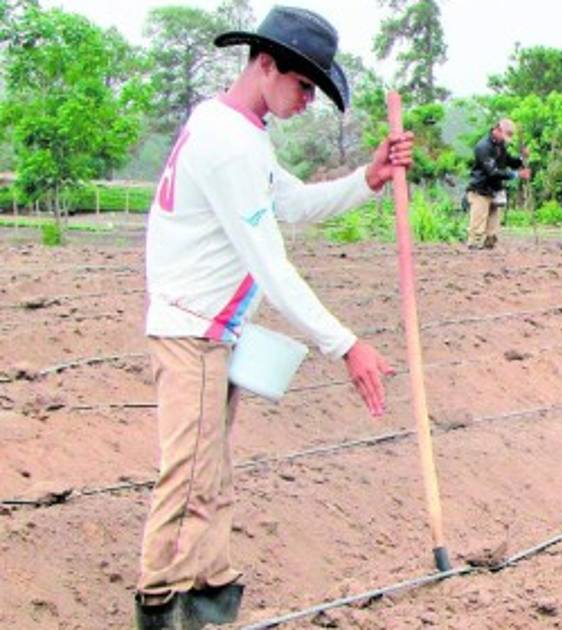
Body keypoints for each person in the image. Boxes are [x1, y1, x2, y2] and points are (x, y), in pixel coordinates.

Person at [136, 6, 415, 628]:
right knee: (189, 478)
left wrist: (367, 179)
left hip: (212, 332)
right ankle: (161, 607)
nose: (308, 100)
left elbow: (291, 202)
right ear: (266, 64)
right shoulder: (229, 145)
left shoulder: (237, 130)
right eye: (304, 85)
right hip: (192, 333)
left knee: (210, 475)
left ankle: (208, 595)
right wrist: (346, 345)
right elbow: (272, 266)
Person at [465, 119, 531, 249]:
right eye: (505, 136)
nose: (505, 140)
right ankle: (473, 251)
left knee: (492, 231)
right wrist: (516, 175)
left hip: (495, 190)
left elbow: (509, 161)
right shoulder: (483, 147)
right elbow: (492, 172)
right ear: (497, 130)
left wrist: (522, 158)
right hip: (480, 190)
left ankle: (489, 251)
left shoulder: (501, 146)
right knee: (477, 227)